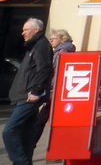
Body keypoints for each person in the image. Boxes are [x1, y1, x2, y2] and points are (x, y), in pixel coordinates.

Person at [3, 18, 53, 165]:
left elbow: (44, 69)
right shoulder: (33, 46)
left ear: (36, 30)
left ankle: (21, 162)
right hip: (26, 96)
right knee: (27, 135)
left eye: (26, 29)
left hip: (30, 97)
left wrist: (36, 91)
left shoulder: (41, 45)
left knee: (9, 131)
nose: (22, 32)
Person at [36, 30, 76, 144]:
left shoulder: (62, 52)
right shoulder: (63, 50)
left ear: (62, 39)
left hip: (56, 90)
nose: (50, 40)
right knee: (47, 118)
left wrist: (50, 85)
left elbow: (57, 72)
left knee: (42, 119)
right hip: (59, 90)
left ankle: (31, 145)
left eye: (53, 38)